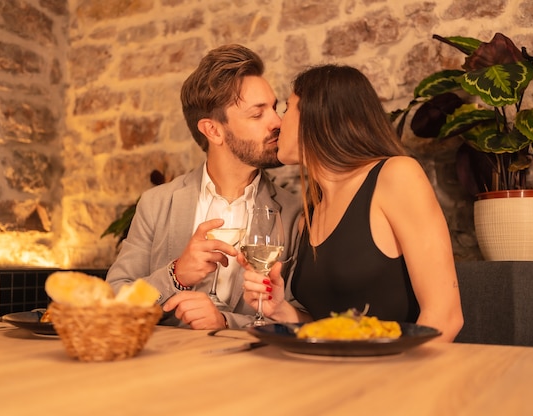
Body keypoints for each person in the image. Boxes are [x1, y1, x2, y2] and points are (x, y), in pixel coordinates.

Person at [239, 64, 464, 342]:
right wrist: (281, 310)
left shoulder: (396, 176)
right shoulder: (309, 212)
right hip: (332, 374)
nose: (277, 123)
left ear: (318, 114)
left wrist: (401, 383)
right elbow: (332, 327)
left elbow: (445, 316)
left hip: (397, 374)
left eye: (287, 108)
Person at [106, 44, 301, 330]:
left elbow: (298, 317)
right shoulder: (156, 203)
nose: (278, 122)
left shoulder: (293, 212)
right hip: (163, 365)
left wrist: (225, 321)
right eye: (257, 114)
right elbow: (115, 299)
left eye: (274, 107)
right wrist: (176, 275)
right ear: (213, 130)